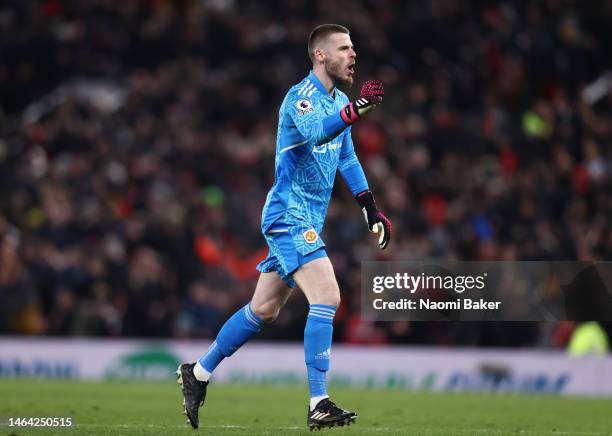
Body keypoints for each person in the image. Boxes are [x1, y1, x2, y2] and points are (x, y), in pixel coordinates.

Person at [177, 23, 392, 431]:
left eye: (354, 48)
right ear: (321, 56)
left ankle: (198, 373)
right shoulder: (301, 99)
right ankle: (318, 401)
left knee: (264, 309)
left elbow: (346, 156)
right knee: (327, 294)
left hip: (307, 218)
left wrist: (369, 206)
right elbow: (318, 133)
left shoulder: (341, 98)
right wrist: (358, 109)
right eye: (345, 48)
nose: (353, 55)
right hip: (287, 214)